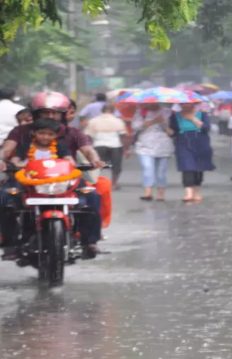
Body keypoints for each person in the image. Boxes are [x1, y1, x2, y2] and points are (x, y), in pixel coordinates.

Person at [0, 91, 107, 259]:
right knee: (5, 198)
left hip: (64, 181)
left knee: (92, 196)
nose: (51, 116)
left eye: (55, 113)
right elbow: (7, 150)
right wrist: (3, 160)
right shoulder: (20, 132)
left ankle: (89, 242)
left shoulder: (73, 133)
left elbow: (87, 150)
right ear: (36, 114)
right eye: (45, 112)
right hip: (26, 180)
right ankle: (10, 244)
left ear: (62, 115)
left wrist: (95, 160)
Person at [168, 102, 214, 203]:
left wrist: (192, 118)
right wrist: (166, 129)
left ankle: (197, 191)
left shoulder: (202, 114)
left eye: (188, 104)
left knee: (199, 167)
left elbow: (206, 128)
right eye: (183, 104)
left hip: (200, 142)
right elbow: (173, 131)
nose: (185, 106)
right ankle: (188, 192)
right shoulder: (175, 116)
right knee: (187, 166)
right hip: (183, 142)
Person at [133, 103, 174, 201]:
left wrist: (164, 123)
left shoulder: (168, 112)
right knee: (148, 168)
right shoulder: (141, 112)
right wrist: (154, 121)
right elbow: (136, 127)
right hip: (144, 145)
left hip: (163, 146)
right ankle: (148, 192)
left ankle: (161, 194)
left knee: (161, 171)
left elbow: (172, 131)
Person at [85, 103, 129, 188]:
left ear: (102, 110)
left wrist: (88, 149)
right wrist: (126, 149)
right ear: (113, 111)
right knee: (116, 166)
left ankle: (94, 182)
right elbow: (123, 135)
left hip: (99, 144)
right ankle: (114, 183)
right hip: (115, 144)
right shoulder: (118, 121)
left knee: (97, 165)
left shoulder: (94, 120)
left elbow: (88, 135)